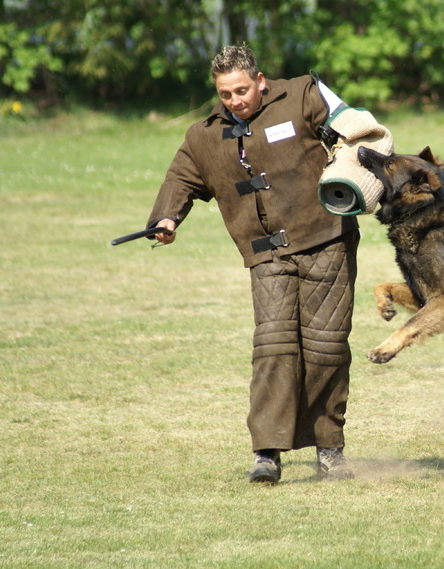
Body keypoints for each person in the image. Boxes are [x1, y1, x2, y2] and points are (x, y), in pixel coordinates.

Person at [145, 44, 370, 484]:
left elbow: (359, 129)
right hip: (265, 253)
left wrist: (354, 158)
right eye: (225, 94)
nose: (235, 101)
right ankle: (267, 454)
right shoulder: (205, 135)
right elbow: (181, 177)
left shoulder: (304, 94)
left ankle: (329, 452)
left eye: (242, 91)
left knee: (325, 347)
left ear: (260, 81)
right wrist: (167, 217)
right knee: (273, 348)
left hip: (326, 240)